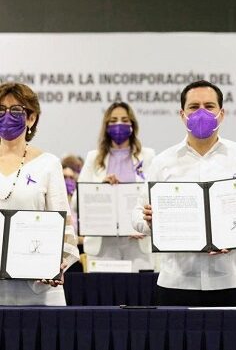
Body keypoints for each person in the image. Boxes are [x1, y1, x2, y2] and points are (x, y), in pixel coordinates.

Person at [132, 80, 236, 307]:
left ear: (222, 113)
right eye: (193, 107)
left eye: (209, 106)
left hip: (232, 282)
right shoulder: (163, 162)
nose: (201, 112)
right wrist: (152, 222)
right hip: (176, 282)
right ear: (182, 115)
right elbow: (137, 216)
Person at [0, 82, 79, 305]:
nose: (7, 116)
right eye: (1, 110)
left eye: (16, 110)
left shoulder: (48, 164)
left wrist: (57, 263)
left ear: (31, 118)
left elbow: (64, 226)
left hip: (39, 290)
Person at [78, 102, 155, 272]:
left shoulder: (148, 156)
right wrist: (101, 188)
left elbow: (153, 196)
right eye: (113, 121)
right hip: (102, 244)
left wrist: (143, 224)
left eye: (124, 120)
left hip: (138, 242)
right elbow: (78, 200)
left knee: (138, 288)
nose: (119, 124)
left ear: (132, 125)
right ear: (106, 126)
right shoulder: (93, 158)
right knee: (102, 288)